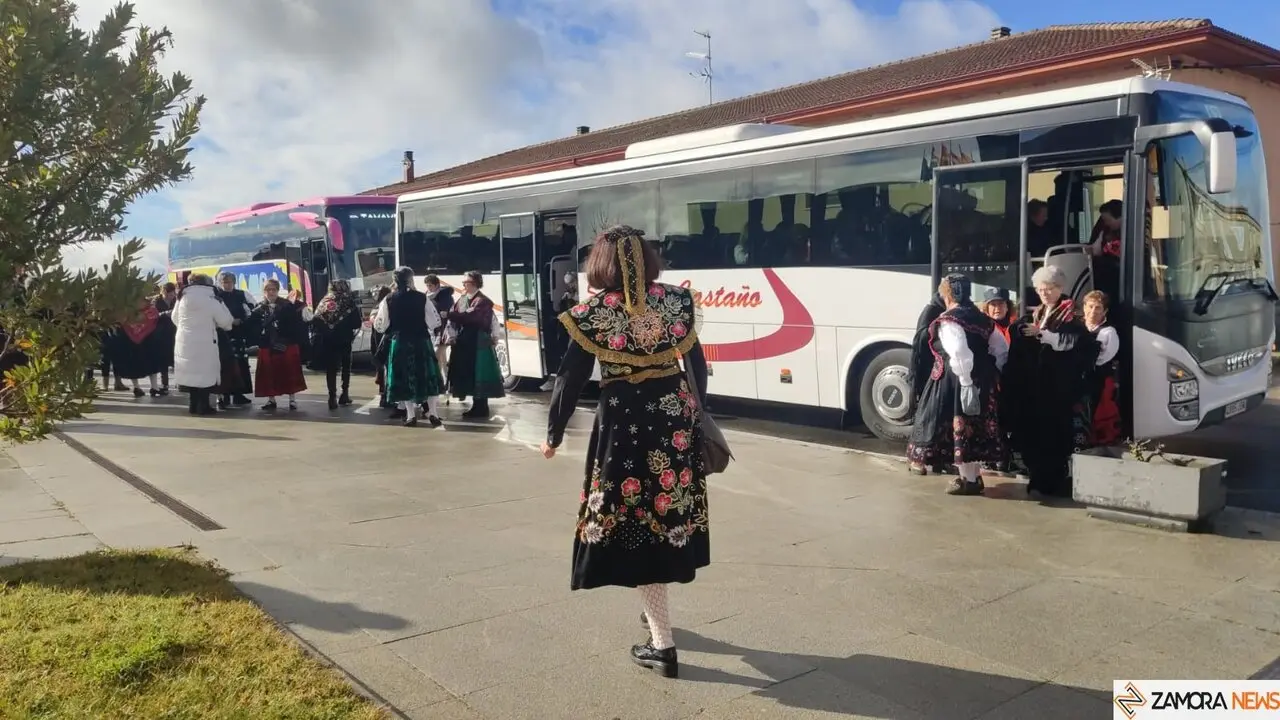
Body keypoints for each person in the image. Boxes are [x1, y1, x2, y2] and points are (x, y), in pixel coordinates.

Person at [539, 225, 709, 680]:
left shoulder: (594, 312)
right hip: (674, 419)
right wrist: (696, 416)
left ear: (602, 264)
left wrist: (554, 434)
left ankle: (662, 645)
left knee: (636, 523)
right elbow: (697, 367)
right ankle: (656, 614)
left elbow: (570, 379)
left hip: (624, 423)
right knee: (667, 514)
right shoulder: (675, 301)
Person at [906, 274, 1009, 496]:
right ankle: (973, 476)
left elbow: (960, 352)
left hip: (956, 382)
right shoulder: (982, 318)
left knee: (961, 429)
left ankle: (968, 480)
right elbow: (1000, 349)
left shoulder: (949, 320)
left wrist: (966, 381)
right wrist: (991, 372)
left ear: (947, 295)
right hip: (982, 380)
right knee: (975, 430)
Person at [1003, 265, 1098, 499]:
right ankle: (1038, 478)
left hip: (1058, 389)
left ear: (1060, 288)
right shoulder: (1037, 313)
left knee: (1055, 435)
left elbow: (1074, 343)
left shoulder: (1072, 315)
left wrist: (1042, 335)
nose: (1044, 293)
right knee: (1034, 434)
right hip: (1036, 389)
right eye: (1040, 289)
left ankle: (1053, 481)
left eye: (1049, 288)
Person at [372, 267, 445, 427]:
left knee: (404, 379)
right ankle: (433, 413)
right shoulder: (422, 298)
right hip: (421, 340)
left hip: (400, 341)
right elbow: (434, 322)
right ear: (411, 279)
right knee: (428, 377)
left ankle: (411, 416)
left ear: (395, 280)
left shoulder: (389, 299)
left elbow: (380, 325)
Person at [445, 271, 505, 419]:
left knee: (479, 372)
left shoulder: (483, 301)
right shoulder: (462, 300)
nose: (464, 285)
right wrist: (451, 336)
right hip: (465, 341)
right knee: (469, 373)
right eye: (464, 282)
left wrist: (495, 336)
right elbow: (454, 319)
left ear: (475, 283)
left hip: (478, 341)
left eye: (467, 282)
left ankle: (481, 407)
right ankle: (477, 406)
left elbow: (475, 318)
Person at [173, 274, 234, 415]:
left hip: (184, 342)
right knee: (204, 374)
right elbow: (226, 322)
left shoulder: (182, 298)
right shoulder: (210, 299)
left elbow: (175, 318)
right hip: (205, 342)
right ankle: (203, 406)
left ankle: (193, 404)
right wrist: (222, 304)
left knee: (192, 375)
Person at [251, 279, 309, 411]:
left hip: (286, 344)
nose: (271, 292)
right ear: (264, 292)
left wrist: (285, 337)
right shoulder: (259, 307)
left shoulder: (287, 305)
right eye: (268, 290)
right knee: (268, 373)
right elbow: (254, 326)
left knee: (289, 372)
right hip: (267, 345)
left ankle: (292, 400)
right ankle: (271, 400)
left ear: (277, 290)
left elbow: (295, 325)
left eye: (273, 289)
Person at [907, 291, 947, 475]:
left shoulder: (943, 310)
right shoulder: (932, 310)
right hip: (927, 371)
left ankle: (938, 460)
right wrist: (940, 329)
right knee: (925, 417)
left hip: (939, 370)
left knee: (940, 418)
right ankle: (916, 458)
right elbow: (921, 340)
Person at [311, 279, 362, 410]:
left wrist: (328, 329)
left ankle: (332, 397)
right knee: (345, 367)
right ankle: (344, 394)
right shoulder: (348, 301)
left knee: (331, 369)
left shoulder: (324, 301)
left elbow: (315, 321)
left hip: (328, 340)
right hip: (344, 339)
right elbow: (357, 323)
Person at [1082, 290, 1122, 447]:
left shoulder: (1108, 332)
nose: (1093, 311)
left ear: (1105, 311)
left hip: (1100, 378)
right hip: (1078, 378)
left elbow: (1104, 358)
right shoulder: (1077, 327)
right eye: (1090, 306)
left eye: (1098, 308)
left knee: (1100, 410)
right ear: (1084, 307)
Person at [108, 297, 165, 397]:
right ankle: (154, 387)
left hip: (130, 337)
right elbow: (154, 316)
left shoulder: (126, 308)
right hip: (148, 339)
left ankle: (137, 387)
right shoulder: (149, 309)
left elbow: (121, 319)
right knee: (152, 362)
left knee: (133, 363)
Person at [214, 272, 254, 409]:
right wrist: (230, 321)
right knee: (224, 365)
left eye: (229, 282)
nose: (227, 285)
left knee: (241, 364)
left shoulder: (242, 295)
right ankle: (223, 395)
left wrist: (242, 321)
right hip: (223, 335)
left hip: (238, 334)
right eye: (224, 282)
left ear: (234, 282)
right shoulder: (217, 297)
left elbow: (251, 310)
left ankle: (239, 394)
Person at [424, 274, 454, 403]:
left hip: (442, 331)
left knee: (435, 358)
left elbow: (448, 313)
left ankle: (437, 385)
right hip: (433, 331)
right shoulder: (427, 296)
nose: (428, 288)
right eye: (427, 285)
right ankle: (447, 385)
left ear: (437, 285)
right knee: (442, 360)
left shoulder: (444, 297)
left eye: (430, 285)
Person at [368, 284, 394, 410]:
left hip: (379, 343)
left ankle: (384, 395)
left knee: (383, 369)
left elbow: (374, 322)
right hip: (387, 341)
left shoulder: (377, 307)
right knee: (388, 369)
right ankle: (387, 397)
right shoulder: (387, 306)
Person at [151, 282, 178, 395]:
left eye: (173, 294)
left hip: (173, 332)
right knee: (163, 360)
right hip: (160, 333)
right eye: (169, 294)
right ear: (164, 292)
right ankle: (165, 384)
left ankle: (179, 381)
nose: (171, 296)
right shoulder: (157, 301)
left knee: (175, 358)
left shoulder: (175, 300)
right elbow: (152, 315)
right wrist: (165, 314)